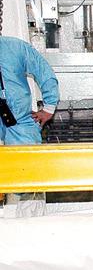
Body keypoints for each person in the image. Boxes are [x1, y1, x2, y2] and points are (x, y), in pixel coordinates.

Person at [0, 36, 60, 217]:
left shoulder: (14, 48)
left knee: (30, 176)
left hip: (18, 121)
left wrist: (49, 107)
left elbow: (42, 70)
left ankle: (32, 227)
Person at [0, 36, 59, 146]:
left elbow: (44, 72)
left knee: (26, 161)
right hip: (18, 123)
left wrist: (49, 107)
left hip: (19, 122)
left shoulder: (16, 47)